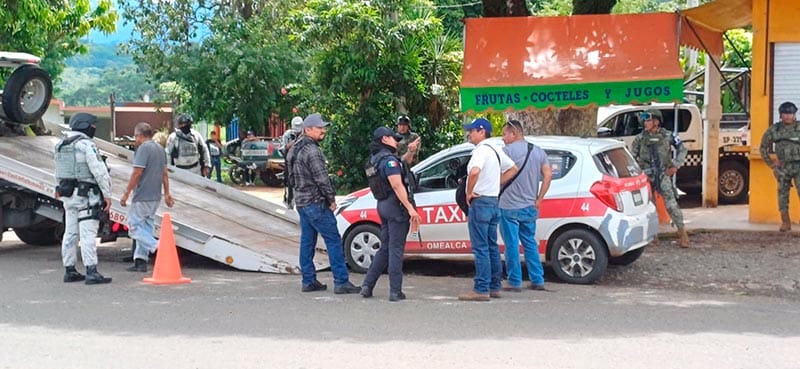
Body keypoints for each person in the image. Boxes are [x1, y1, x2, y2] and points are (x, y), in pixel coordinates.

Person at [286, 113, 360, 294]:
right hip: (316, 203)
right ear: (308, 129)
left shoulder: (293, 148)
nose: (323, 131)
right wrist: (331, 200)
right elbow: (322, 179)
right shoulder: (312, 151)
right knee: (334, 240)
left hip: (301, 202)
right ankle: (341, 282)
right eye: (319, 128)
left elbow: (289, 177)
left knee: (307, 242)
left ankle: (308, 280)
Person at [458, 118, 517, 301]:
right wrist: (495, 184)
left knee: (481, 247)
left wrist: (469, 192)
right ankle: (494, 285)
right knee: (492, 246)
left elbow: (474, 172)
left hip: (481, 202)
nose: (469, 134)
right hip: (493, 201)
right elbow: (513, 168)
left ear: (482, 131)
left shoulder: (481, 150)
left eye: (472, 131)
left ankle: (481, 289)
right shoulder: (495, 150)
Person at [360, 127, 421, 301]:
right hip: (395, 207)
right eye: (394, 138)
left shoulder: (376, 159)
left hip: (383, 205)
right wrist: (410, 208)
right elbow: (396, 184)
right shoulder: (389, 161)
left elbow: (401, 164)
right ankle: (395, 291)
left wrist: (410, 152)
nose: (397, 141)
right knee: (395, 249)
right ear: (385, 139)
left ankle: (367, 285)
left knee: (385, 247)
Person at [54, 112, 113, 285]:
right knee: (88, 233)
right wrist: (107, 194)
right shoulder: (87, 145)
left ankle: (69, 269)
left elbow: (57, 172)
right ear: (84, 125)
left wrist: (59, 190)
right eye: (92, 125)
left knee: (70, 233)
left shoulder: (60, 145)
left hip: (68, 195)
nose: (94, 128)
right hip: (87, 197)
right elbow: (99, 171)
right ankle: (91, 271)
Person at [498, 120, 552, 292]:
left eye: (505, 133)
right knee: (530, 242)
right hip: (530, 205)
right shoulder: (538, 151)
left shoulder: (506, 152)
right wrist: (540, 198)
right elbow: (548, 175)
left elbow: (496, 174)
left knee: (512, 244)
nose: (503, 137)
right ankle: (537, 279)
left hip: (508, 206)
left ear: (514, 133)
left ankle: (515, 281)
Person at [630, 109, 690, 247]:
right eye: (645, 120)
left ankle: (682, 234)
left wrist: (675, 165)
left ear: (656, 121)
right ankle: (653, 235)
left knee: (671, 204)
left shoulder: (668, 135)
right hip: (646, 176)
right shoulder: (640, 138)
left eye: (648, 120)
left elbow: (682, 149)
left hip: (663, 175)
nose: (646, 123)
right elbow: (633, 157)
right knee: (649, 207)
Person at [120, 122, 175, 272]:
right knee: (146, 228)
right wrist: (167, 193)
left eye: (135, 136)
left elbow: (137, 172)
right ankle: (140, 261)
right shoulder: (160, 149)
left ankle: (159, 247)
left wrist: (126, 193)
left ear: (139, 135)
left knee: (134, 228)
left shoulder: (143, 149)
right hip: (155, 196)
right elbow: (164, 174)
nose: (134, 139)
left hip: (142, 195)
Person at [759, 101, 800, 231]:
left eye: (791, 113)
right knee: (782, 194)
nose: (788, 116)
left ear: (795, 115)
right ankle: (785, 222)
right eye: (785, 113)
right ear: (781, 115)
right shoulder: (775, 129)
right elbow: (763, 147)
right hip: (783, 167)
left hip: (799, 166)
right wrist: (771, 164)